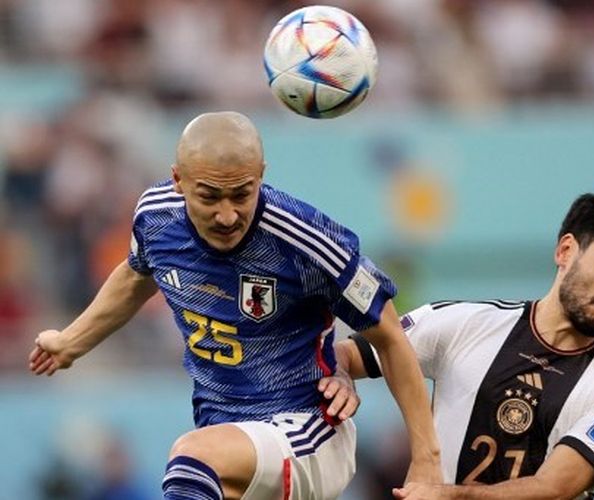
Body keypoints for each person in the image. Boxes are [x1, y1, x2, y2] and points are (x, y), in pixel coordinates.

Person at [29, 111, 441, 500]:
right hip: (227, 432)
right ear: (178, 180)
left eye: (241, 194)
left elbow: (388, 334)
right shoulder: (156, 218)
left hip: (307, 429)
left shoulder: (307, 240)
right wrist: (71, 343)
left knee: (191, 460)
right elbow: (137, 275)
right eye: (209, 197)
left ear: (261, 176)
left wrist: (426, 461)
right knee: (200, 459)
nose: (227, 215)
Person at [336, 182, 594, 499]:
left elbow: (555, 488)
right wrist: (340, 376)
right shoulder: (468, 323)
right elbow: (347, 354)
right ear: (565, 251)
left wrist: (449, 495)